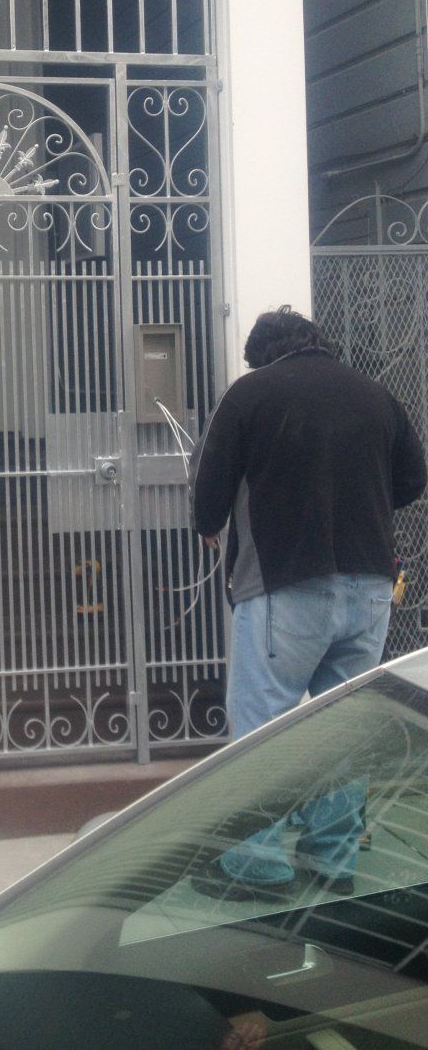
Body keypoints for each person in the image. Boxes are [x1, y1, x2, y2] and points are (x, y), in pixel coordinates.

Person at [189, 305, 426, 901]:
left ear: (263, 355)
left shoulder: (251, 394)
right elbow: (413, 480)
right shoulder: (376, 397)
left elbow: (209, 487)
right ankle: (333, 858)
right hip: (370, 590)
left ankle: (257, 865)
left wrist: (209, 523)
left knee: (261, 728)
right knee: (342, 732)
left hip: (284, 588)